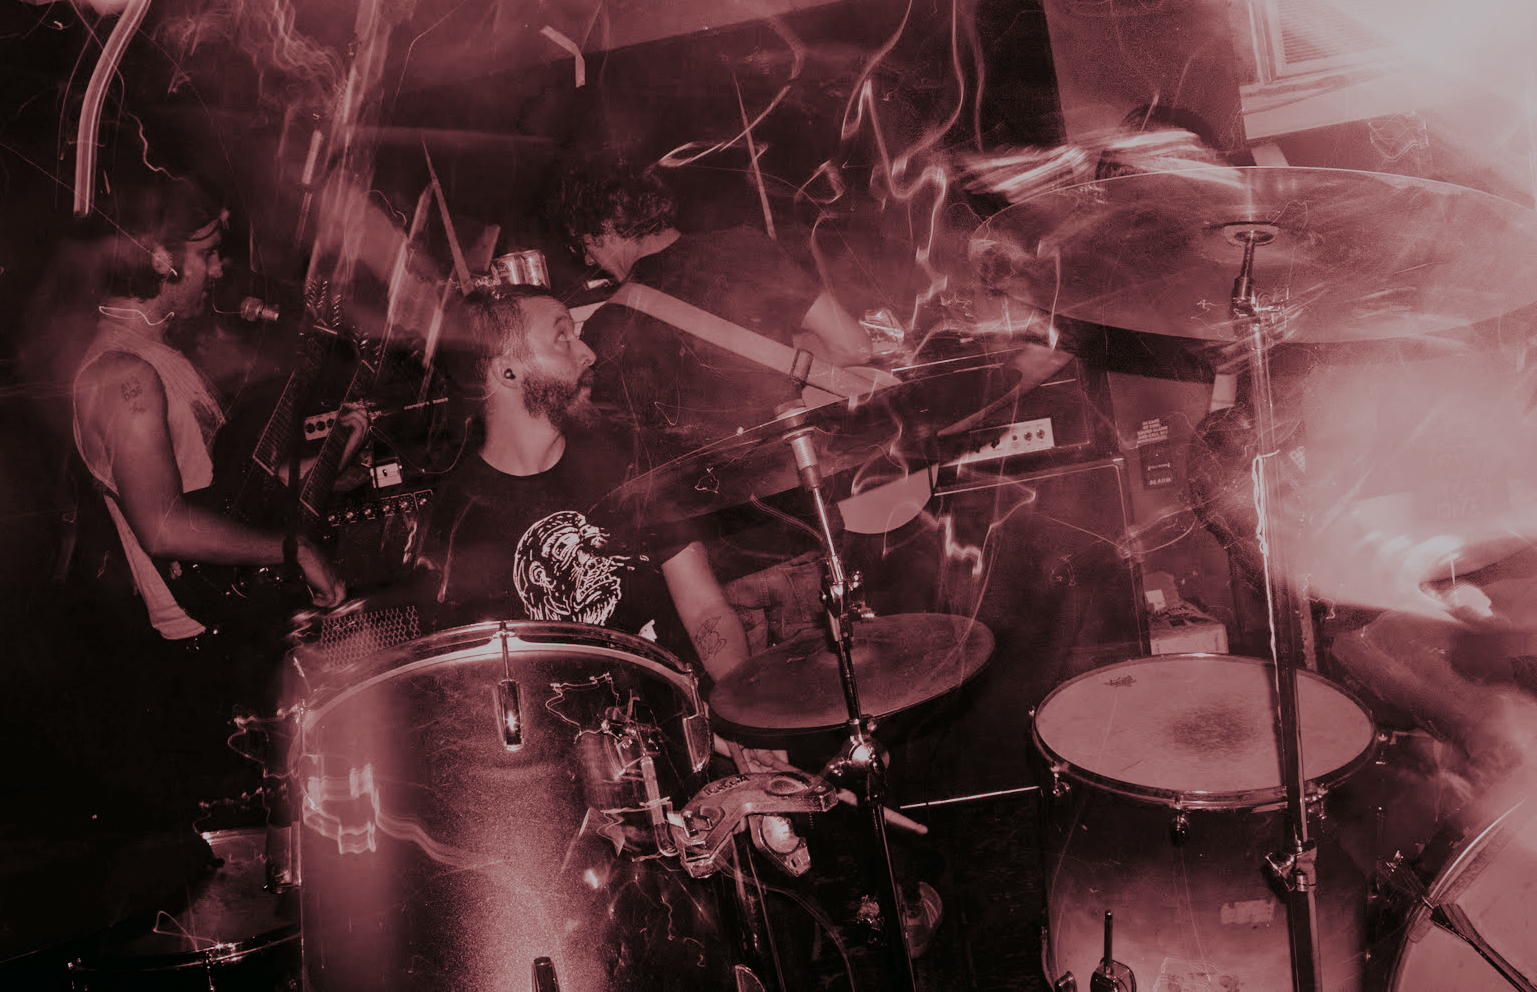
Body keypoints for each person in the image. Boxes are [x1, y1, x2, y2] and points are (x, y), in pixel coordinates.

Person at [65, 180, 348, 820]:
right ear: (161, 261)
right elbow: (163, 526)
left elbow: (219, 492)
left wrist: (329, 461)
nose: (220, 270)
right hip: (206, 649)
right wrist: (294, 548)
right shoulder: (122, 374)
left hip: (234, 624)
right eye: (208, 254)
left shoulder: (156, 358)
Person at [418, 284, 750, 683]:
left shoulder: (629, 458)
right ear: (509, 372)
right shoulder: (455, 521)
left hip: (680, 709)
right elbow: (469, 682)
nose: (588, 353)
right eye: (562, 336)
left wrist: (740, 703)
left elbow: (705, 608)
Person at [548, 159, 872, 453]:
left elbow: (617, 450)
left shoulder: (605, 330)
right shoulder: (746, 246)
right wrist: (784, 351)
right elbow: (854, 347)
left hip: (701, 495)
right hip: (799, 470)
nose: (589, 260)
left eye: (585, 245)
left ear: (606, 228)